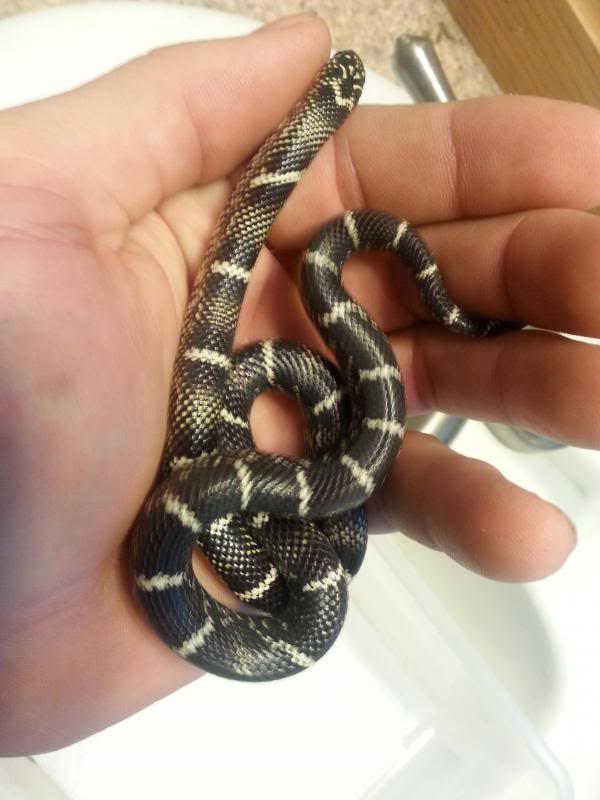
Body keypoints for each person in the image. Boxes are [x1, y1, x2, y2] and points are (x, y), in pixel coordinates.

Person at [1, 11, 597, 755]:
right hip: (246, 502)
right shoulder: (309, 531)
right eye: (340, 93)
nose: (341, 82)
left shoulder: (301, 532)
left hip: (245, 507)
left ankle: (381, 291)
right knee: (333, 537)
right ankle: (380, 290)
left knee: (330, 528)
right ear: (323, 122)